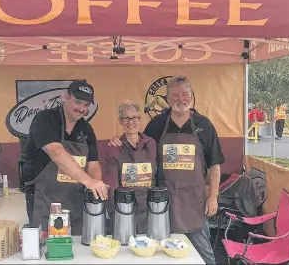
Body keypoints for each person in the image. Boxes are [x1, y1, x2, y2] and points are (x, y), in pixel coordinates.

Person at [109, 74, 224, 264]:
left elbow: (214, 165)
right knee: (161, 253)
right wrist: (118, 140)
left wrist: (213, 196)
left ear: (191, 96)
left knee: (203, 253)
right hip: (160, 202)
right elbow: (137, 145)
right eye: (176, 95)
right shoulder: (157, 124)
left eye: (185, 94)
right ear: (168, 99)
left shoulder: (205, 125)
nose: (181, 99)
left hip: (194, 201)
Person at [23, 80, 109, 235]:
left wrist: (96, 190)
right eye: (77, 102)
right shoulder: (44, 119)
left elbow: (93, 165)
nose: (81, 108)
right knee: (48, 246)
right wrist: (88, 181)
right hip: (45, 200)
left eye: (86, 105)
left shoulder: (86, 129)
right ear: (66, 97)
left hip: (75, 201)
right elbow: (56, 152)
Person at [104, 101, 157, 234]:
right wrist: (114, 209)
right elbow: (112, 182)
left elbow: (157, 175)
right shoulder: (114, 147)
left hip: (149, 206)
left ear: (140, 119)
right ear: (120, 121)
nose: (130, 122)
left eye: (134, 117)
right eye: (126, 118)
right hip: (125, 206)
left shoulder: (151, 143)